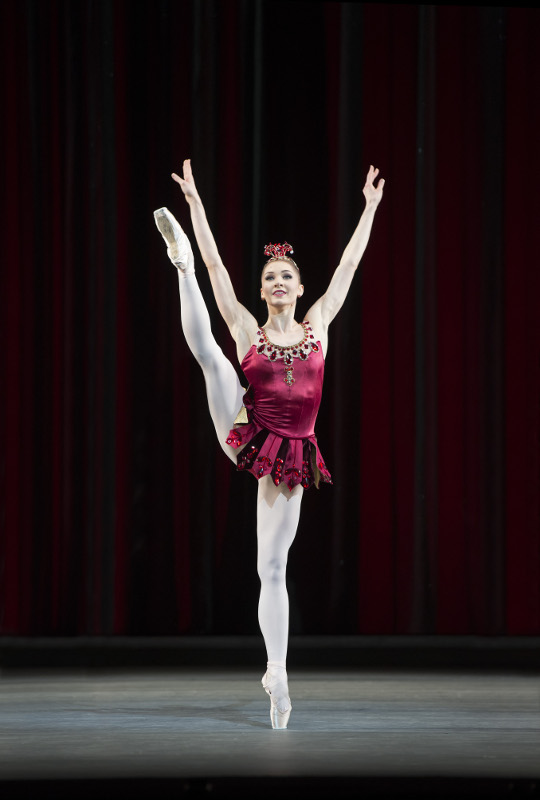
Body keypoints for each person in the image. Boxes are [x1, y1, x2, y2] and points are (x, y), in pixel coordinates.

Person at [154, 159, 384, 729]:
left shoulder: (320, 325)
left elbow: (349, 266)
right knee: (212, 359)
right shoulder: (248, 330)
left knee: (272, 567)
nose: (278, 283)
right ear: (261, 292)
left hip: (292, 454)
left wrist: (370, 209)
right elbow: (219, 264)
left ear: (301, 289)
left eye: (287, 277)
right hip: (244, 430)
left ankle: (277, 675)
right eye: (270, 278)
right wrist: (196, 207)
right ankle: (176, 264)